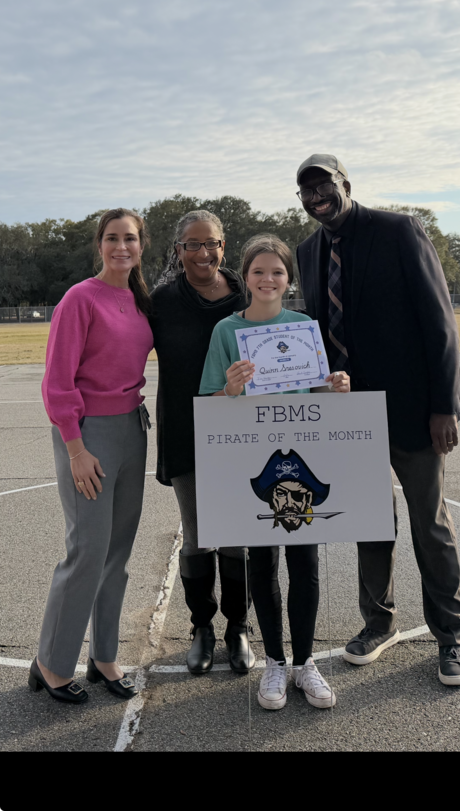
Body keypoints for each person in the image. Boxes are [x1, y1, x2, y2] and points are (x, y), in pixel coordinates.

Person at [295, 153, 460, 685]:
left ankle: (453, 635)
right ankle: (379, 622)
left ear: (345, 183)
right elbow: (318, 334)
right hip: (351, 414)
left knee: (431, 525)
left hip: (415, 408)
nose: (315, 196)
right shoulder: (308, 250)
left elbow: (438, 321)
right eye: (305, 191)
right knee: (370, 523)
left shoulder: (399, 230)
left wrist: (444, 405)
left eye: (323, 185)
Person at [199, 234, 350, 710]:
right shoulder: (226, 331)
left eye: (278, 272)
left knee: (304, 563)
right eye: (259, 271)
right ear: (245, 277)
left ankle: (305, 663)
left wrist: (336, 387)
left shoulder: (304, 325)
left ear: (289, 279)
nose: (268, 279)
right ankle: (275, 663)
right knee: (261, 564)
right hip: (252, 463)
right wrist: (231, 387)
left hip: (299, 463)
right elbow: (208, 402)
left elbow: (315, 393)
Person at [29, 209, 154, 704]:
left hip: (132, 427)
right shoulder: (80, 298)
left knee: (116, 554)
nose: (120, 246)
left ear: (142, 246)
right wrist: (75, 448)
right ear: (99, 245)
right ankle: (52, 663)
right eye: (111, 238)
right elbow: (57, 381)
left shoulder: (141, 300)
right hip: (89, 436)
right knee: (87, 551)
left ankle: (104, 657)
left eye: (129, 238)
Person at [150, 211, 255, 675]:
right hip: (187, 431)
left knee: (235, 535)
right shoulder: (163, 301)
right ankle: (202, 628)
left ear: (223, 247)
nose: (202, 253)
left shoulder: (247, 297)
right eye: (192, 245)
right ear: (178, 252)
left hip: (243, 435)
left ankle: (238, 628)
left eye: (211, 243)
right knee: (197, 537)